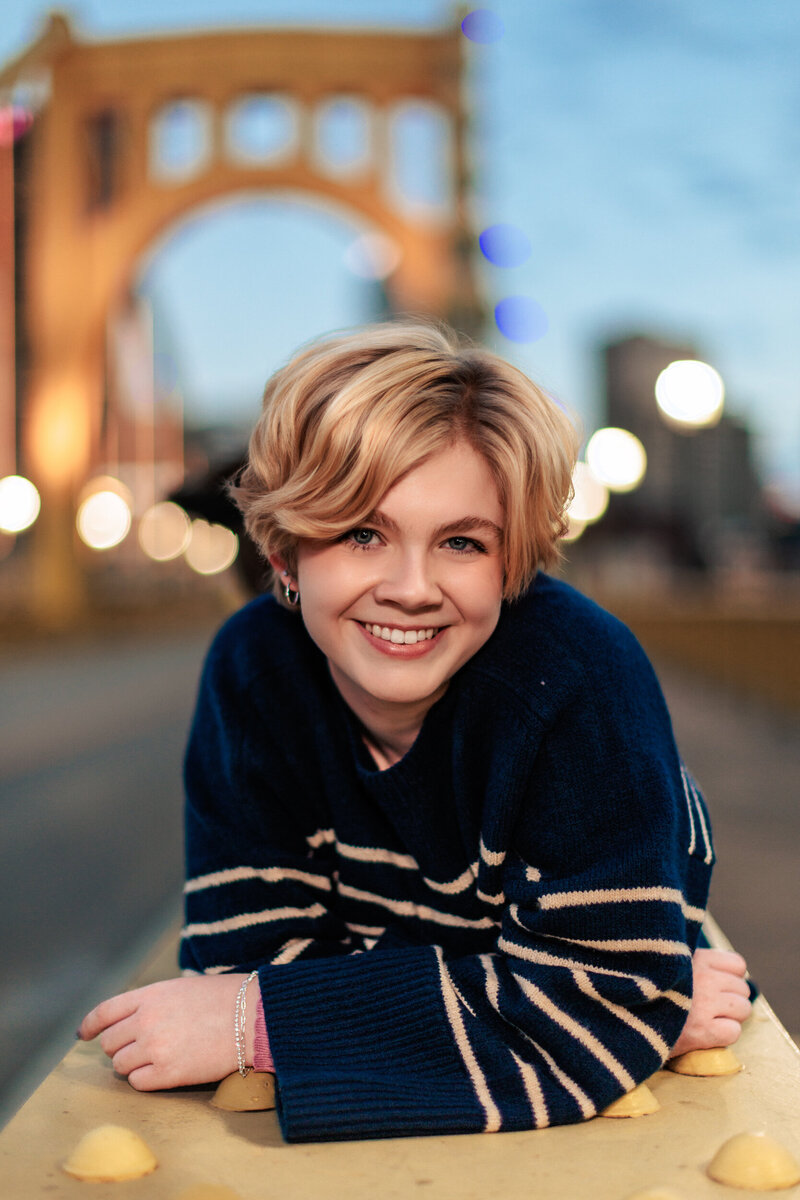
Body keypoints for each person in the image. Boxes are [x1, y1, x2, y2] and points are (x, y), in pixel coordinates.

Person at [79, 321, 751, 1143]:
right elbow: (245, 952)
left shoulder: (580, 678)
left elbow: (598, 999)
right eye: (363, 532)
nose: (411, 588)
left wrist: (251, 1027)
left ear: (511, 568)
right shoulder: (252, 672)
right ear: (286, 556)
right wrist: (597, 1011)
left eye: (462, 542)